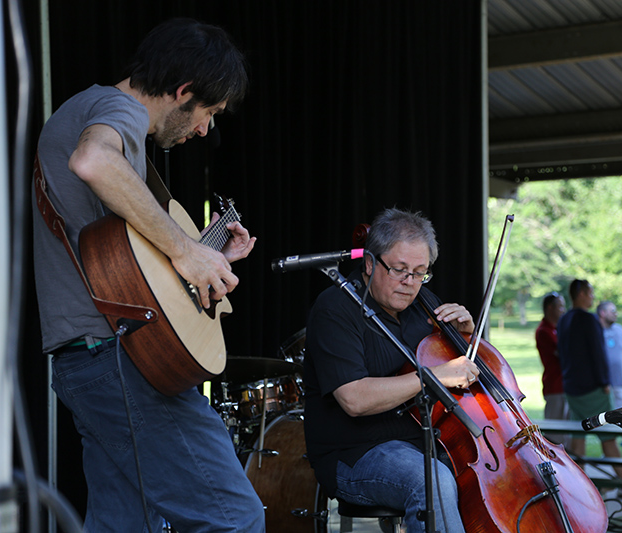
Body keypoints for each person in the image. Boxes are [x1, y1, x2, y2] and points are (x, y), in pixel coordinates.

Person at [31, 19, 265, 531]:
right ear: (183, 91)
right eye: (207, 112)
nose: (204, 129)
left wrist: (207, 251)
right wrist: (185, 250)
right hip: (119, 359)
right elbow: (92, 161)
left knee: (121, 525)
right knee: (235, 518)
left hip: (88, 363)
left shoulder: (95, 111)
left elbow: (126, 262)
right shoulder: (119, 111)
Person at [303, 208, 480, 533]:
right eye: (400, 270)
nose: (410, 283)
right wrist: (434, 376)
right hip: (355, 453)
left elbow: (465, 379)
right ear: (370, 263)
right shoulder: (336, 308)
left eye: (420, 272)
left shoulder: (425, 304)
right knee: (432, 480)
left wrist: (465, 340)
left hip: (425, 442)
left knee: (489, 480)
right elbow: (354, 399)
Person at [556, 279, 622, 479]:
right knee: (608, 436)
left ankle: (581, 486)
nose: (593, 297)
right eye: (590, 293)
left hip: (572, 386)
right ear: (581, 294)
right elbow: (598, 352)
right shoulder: (588, 319)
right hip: (593, 388)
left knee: (578, 439)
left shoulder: (564, 320)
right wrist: (604, 382)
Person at [535, 291, 571, 446]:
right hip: (555, 386)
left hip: (565, 385)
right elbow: (564, 354)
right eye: (560, 306)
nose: (563, 310)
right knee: (555, 434)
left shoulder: (558, 329)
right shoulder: (544, 331)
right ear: (550, 308)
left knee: (568, 433)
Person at [597, 300, 622, 422]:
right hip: (603, 387)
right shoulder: (596, 332)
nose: (616, 314)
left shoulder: (619, 330)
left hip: (621, 383)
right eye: (612, 311)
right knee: (605, 421)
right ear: (602, 313)